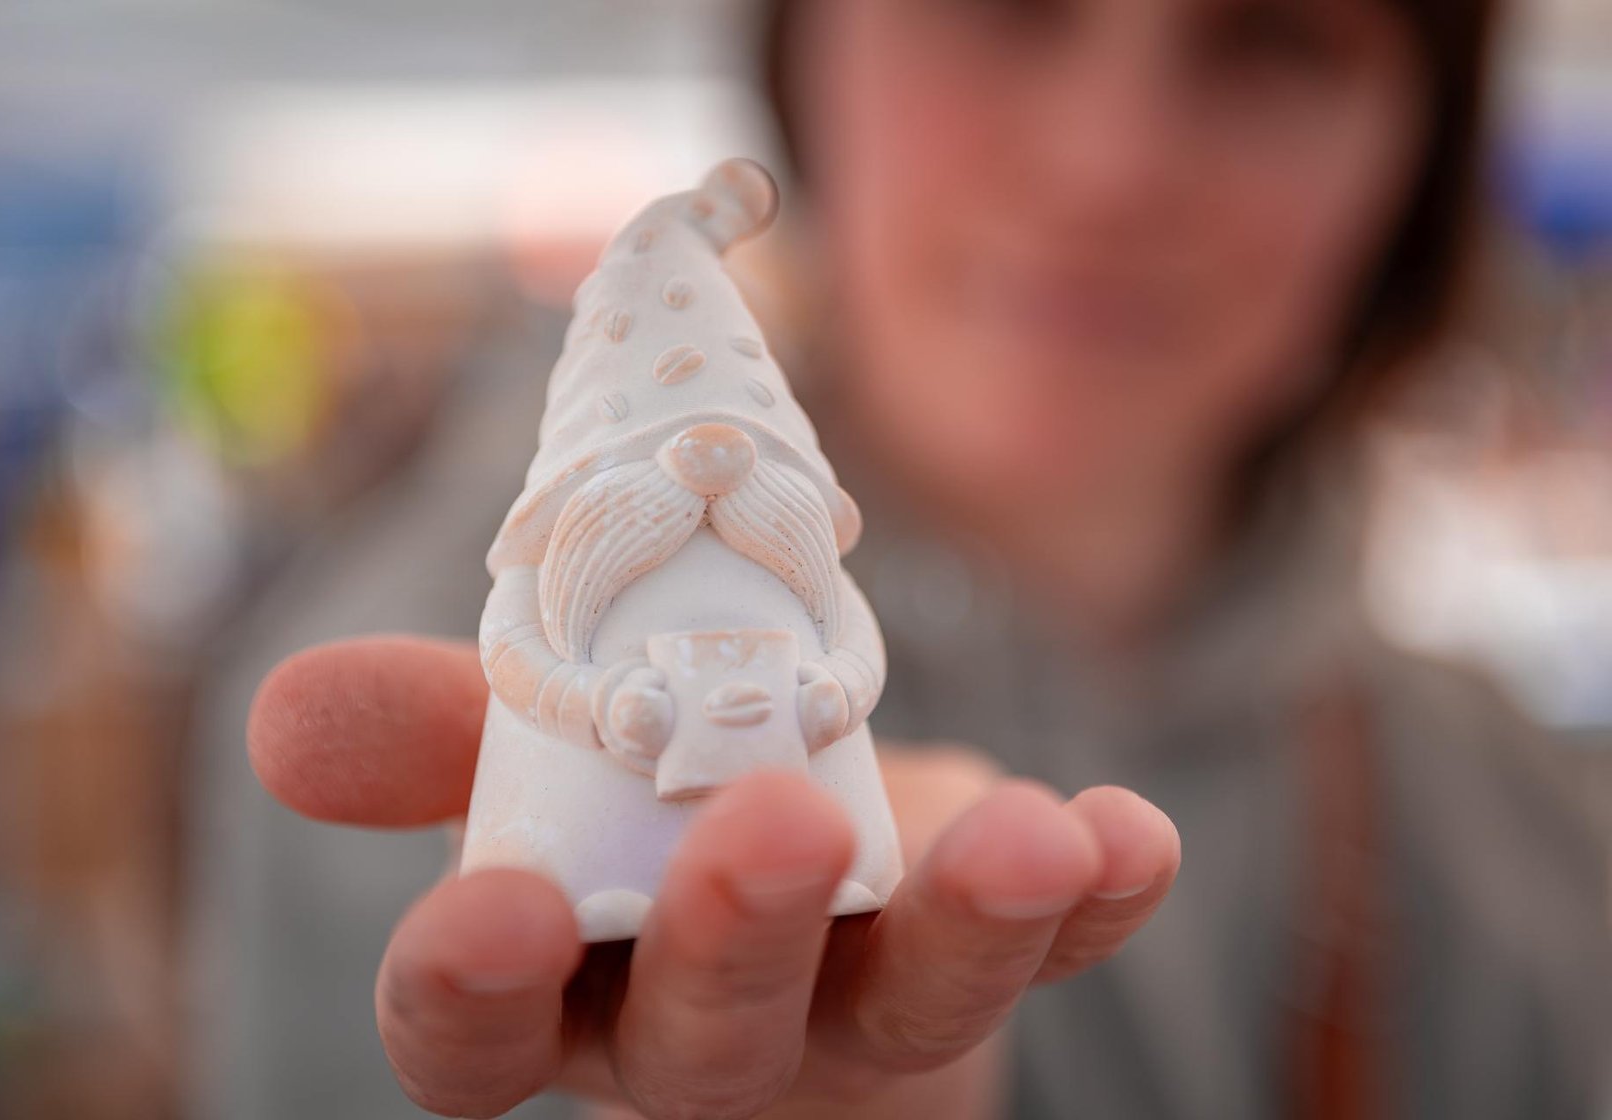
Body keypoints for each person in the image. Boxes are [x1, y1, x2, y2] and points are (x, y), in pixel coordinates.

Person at [243, 0, 1612, 1116]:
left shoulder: (1537, 836)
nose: (1106, 160)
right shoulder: (433, 721)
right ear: (801, 49)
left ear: (1420, 156)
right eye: (1000, 5)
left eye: (1274, 36)